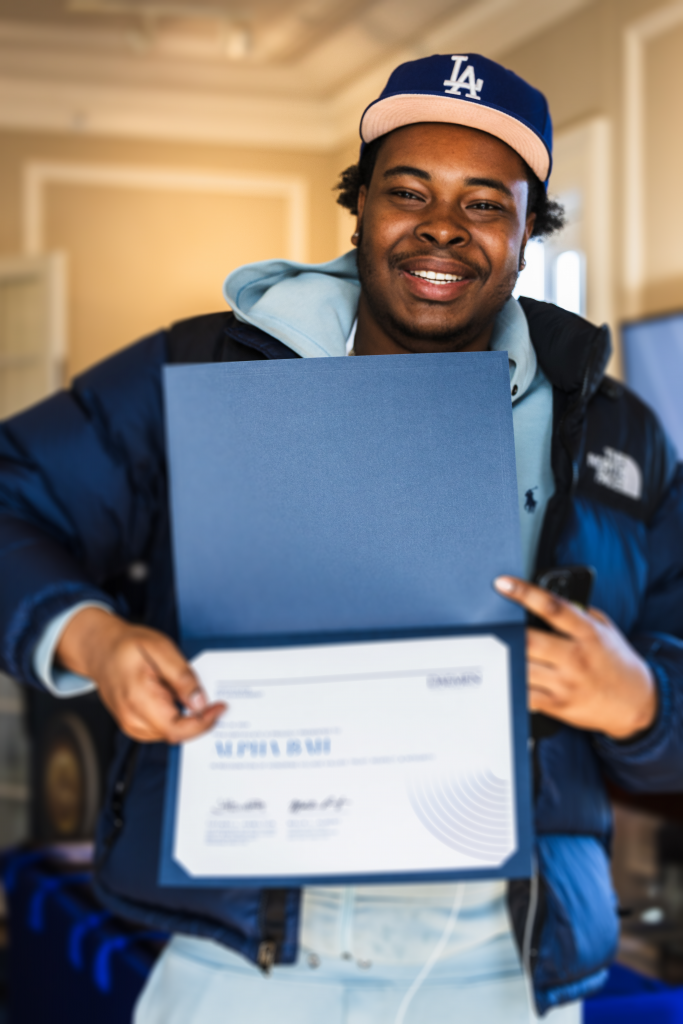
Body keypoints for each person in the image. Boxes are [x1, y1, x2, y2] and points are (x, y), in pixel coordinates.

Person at [0, 52, 682, 1024]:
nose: (441, 225)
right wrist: (90, 638)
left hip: (499, 967)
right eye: (406, 192)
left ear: (530, 231)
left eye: (485, 202)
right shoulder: (202, 368)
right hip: (245, 960)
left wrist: (639, 697)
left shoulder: (618, 434)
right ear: (358, 207)